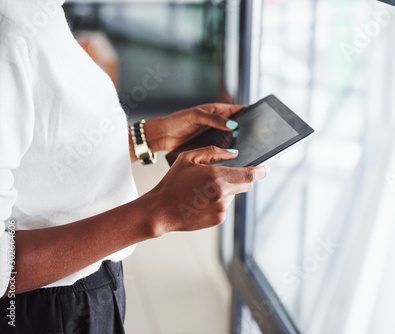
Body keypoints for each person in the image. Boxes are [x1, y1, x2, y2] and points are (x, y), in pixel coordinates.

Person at [0, 0, 268, 332]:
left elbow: (42, 151)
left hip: (85, 282)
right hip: (43, 309)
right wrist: (159, 212)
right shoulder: (9, 29)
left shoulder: (37, 11)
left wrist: (152, 137)